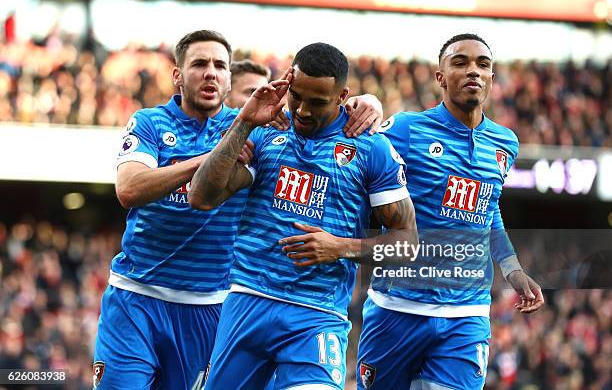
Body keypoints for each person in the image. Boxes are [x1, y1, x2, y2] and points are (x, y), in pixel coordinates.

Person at [92, 29, 384, 389]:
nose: (210, 72)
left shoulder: (261, 131)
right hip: (137, 293)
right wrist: (209, 157)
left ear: (229, 80)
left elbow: (317, 116)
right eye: (199, 64)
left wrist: (366, 103)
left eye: (219, 65)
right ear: (178, 75)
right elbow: (130, 188)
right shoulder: (157, 123)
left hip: (211, 303)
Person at [188, 43, 417, 390]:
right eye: (296, 96)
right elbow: (201, 197)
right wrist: (244, 123)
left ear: (343, 96)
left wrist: (341, 247)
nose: (303, 111)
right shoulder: (266, 130)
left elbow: (407, 244)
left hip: (317, 315)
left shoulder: (371, 148)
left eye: (318, 102)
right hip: (248, 301)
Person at [356, 33, 545, 390]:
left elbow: (487, 210)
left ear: (492, 77)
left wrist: (513, 270)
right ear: (440, 76)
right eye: (460, 63)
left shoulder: (505, 142)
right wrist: (365, 102)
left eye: (482, 65)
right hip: (397, 306)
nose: (473, 71)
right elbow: (351, 158)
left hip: (467, 314)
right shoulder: (406, 130)